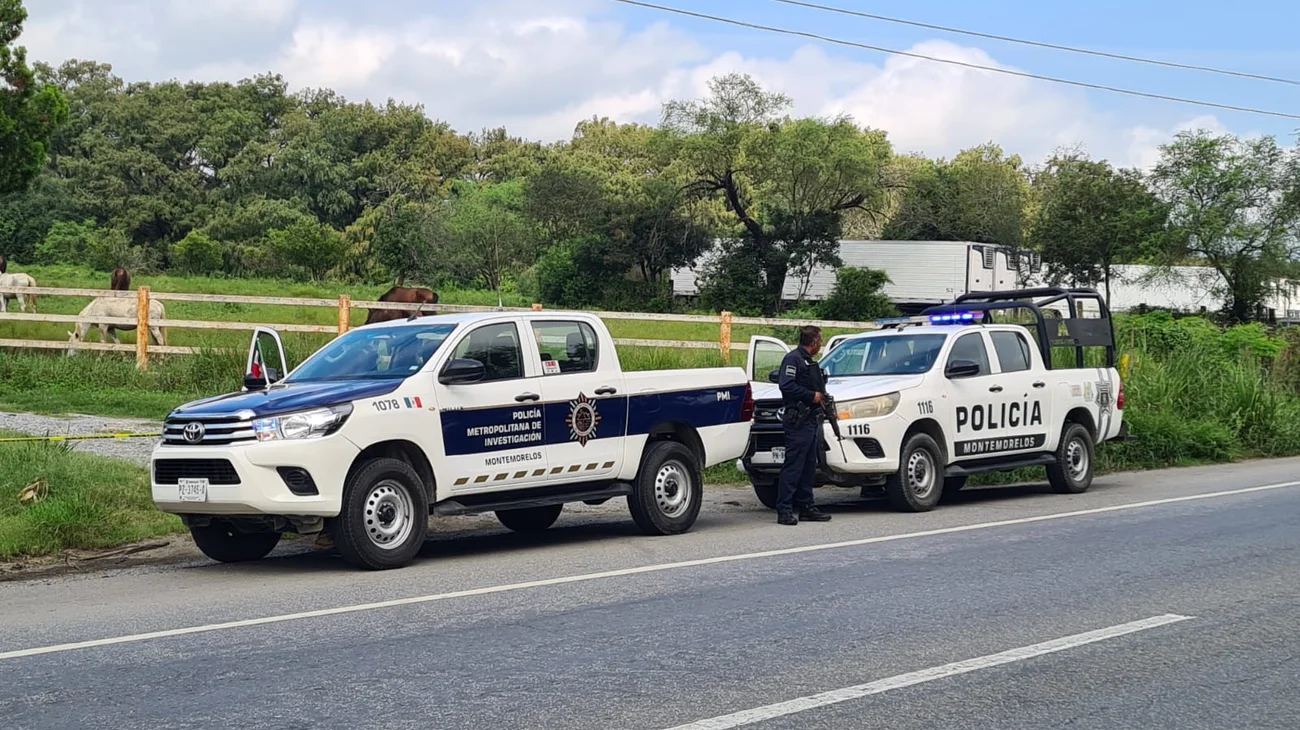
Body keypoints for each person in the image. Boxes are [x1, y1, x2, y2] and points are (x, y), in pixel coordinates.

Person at [775, 325, 833, 526]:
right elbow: (786, 385)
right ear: (814, 342)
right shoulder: (793, 359)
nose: (821, 344)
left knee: (808, 467)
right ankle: (784, 510)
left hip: (810, 420)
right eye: (821, 340)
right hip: (797, 420)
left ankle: (807, 507)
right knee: (793, 467)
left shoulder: (808, 362)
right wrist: (812, 396)